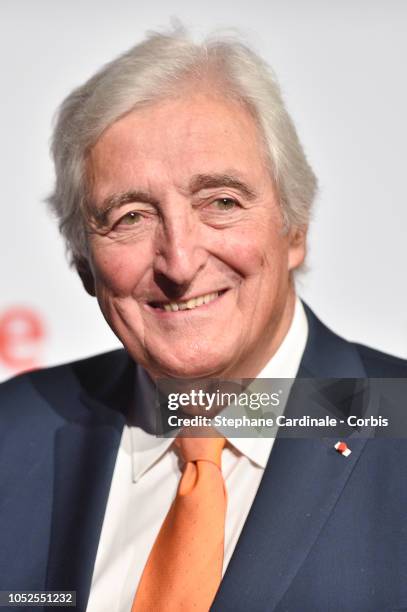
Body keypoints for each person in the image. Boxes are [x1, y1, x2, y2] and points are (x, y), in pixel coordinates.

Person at [1, 26, 406, 612]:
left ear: (295, 228)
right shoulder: (13, 435)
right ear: (83, 263)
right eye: (131, 216)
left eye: (221, 202)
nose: (180, 262)